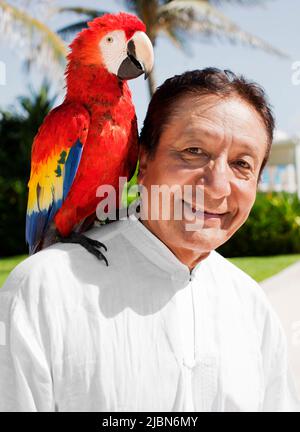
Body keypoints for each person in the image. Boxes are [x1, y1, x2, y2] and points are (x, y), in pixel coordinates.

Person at [0, 68, 299, 412]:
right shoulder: (42, 290)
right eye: (193, 151)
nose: (217, 186)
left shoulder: (252, 306)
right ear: (143, 160)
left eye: (242, 164)